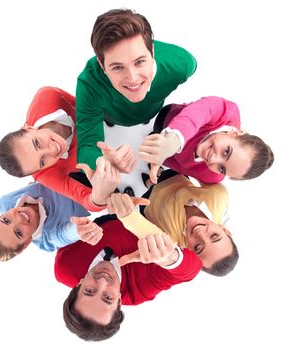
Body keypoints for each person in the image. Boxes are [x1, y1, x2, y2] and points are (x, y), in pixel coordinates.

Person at [76, 8, 197, 171]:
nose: (132, 78)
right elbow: (87, 146)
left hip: (154, 113)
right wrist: (101, 162)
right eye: (118, 67)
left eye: (139, 62)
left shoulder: (182, 65)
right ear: (101, 65)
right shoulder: (89, 83)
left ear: (152, 52)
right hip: (111, 117)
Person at [54, 217, 202, 341]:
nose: (102, 281)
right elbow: (192, 268)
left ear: (78, 285)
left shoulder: (65, 267)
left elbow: (61, 228)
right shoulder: (138, 290)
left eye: (89, 290)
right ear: (119, 300)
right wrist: (170, 258)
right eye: (107, 297)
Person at [0, 86, 120, 211]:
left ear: (29, 128)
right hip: (102, 163)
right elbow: (86, 200)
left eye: (37, 143)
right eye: (42, 161)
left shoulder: (48, 96)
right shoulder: (44, 174)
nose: (51, 151)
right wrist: (99, 196)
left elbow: (89, 103)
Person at [107, 172, 238, 276]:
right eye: (214, 236)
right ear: (224, 230)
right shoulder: (218, 199)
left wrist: (124, 209)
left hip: (142, 199)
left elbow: (135, 223)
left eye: (198, 247)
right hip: (171, 174)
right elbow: (204, 171)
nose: (200, 233)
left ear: (190, 252)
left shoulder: (170, 243)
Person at [139, 96, 274, 184]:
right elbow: (193, 117)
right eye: (226, 151)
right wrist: (172, 142)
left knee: (150, 138)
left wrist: (159, 157)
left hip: (163, 147)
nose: (213, 160)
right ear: (236, 133)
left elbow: (180, 166)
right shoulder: (226, 110)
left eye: (222, 169)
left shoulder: (212, 177)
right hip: (169, 115)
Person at [0, 182, 104, 262]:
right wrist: (78, 230)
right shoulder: (49, 239)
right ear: (26, 243)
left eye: (6, 220)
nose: (19, 219)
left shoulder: (6, 202)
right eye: (18, 232)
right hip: (91, 187)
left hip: (65, 164)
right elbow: (64, 235)